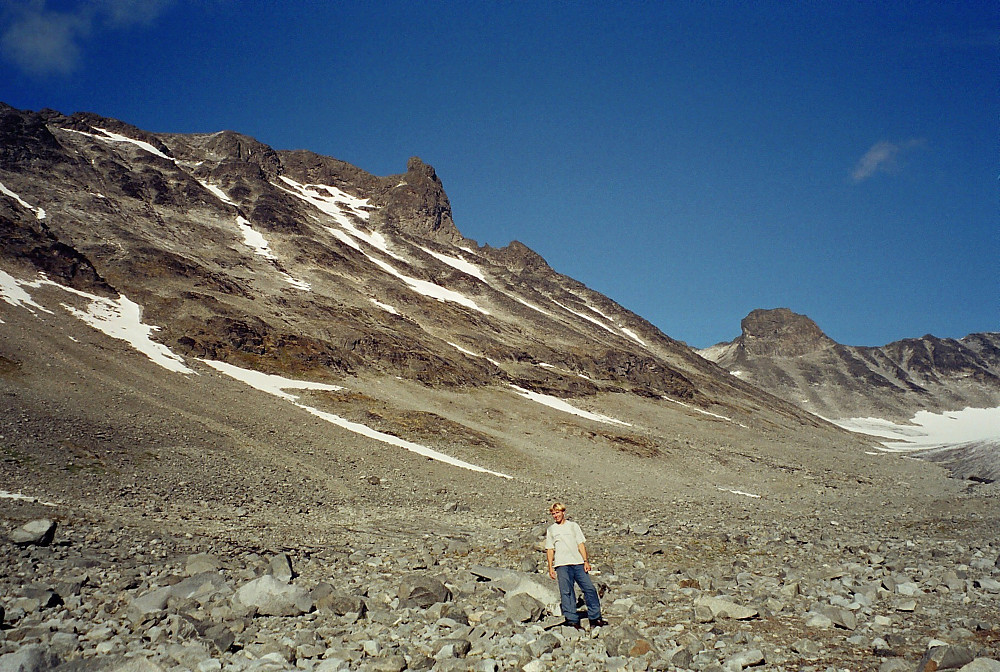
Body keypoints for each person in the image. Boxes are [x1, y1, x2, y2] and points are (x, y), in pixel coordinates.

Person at [544, 502, 607, 629]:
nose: (556, 515)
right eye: (553, 513)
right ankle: (572, 619)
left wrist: (586, 561)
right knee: (566, 591)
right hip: (562, 565)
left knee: (589, 588)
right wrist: (550, 567)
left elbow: (580, 544)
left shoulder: (573, 526)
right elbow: (550, 549)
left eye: (557, 512)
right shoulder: (551, 530)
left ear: (563, 512)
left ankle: (595, 617)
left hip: (578, 563)